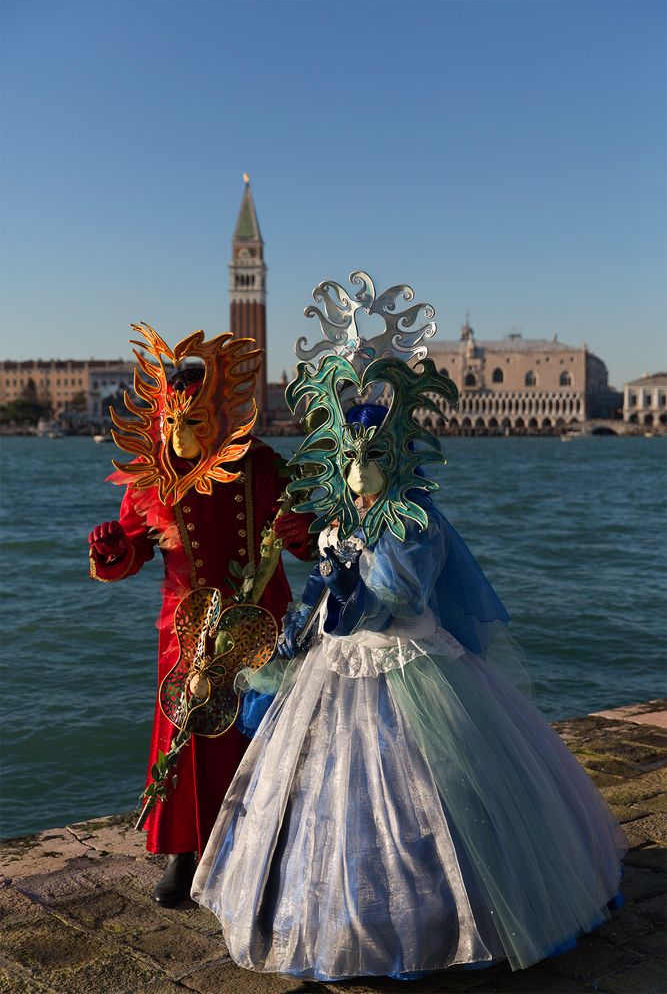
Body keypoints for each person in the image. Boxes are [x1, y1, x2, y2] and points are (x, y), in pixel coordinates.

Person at [192, 356, 628, 980]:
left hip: (411, 665)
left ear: (395, 458)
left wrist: (352, 591)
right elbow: (321, 585)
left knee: (436, 794)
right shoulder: (344, 517)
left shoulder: (415, 525)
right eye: (352, 459)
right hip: (336, 667)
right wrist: (300, 622)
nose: (359, 473)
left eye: (371, 459)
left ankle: (443, 922)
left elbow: (399, 599)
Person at [88, 324, 314, 907]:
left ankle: (267, 845)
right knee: (188, 730)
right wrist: (114, 546)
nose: (178, 436)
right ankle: (185, 851)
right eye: (170, 423)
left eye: (191, 423)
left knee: (261, 729)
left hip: (259, 616)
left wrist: (303, 531)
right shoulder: (149, 479)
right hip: (184, 625)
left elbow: (309, 544)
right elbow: (132, 553)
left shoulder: (260, 466)